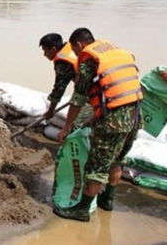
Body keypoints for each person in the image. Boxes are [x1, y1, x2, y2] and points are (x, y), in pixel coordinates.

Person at [55, 28, 143, 222]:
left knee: (97, 166)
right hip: (135, 116)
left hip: (113, 122)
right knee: (116, 160)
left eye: (76, 52)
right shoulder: (115, 52)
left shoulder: (89, 60)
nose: (77, 56)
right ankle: (107, 200)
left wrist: (66, 128)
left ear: (79, 45)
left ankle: (81, 210)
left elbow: (78, 99)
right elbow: (115, 91)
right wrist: (93, 118)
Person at [39, 33, 78, 120]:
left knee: (75, 123)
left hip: (95, 91)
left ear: (53, 49)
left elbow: (59, 89)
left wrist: (50, 111)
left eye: (45, 50)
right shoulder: (71, 48)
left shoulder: (63, 63)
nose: (44, 54)